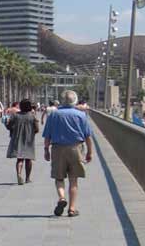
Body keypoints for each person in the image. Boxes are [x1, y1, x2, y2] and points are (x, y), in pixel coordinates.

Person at [42, 90, 93, 218]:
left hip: (58, 149)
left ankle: (61, 197)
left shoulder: (53, 115)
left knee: (59, 177)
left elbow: (47, 136)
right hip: (76, 148)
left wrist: (46, 150)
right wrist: (90, 152)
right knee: (73, 179)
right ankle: (72, 209)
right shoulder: (81, 115)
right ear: (75, 101)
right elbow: (88, 136)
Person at [6, 99, 40, 184]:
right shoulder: (32, 116)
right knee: (28, 159)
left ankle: (19, 174)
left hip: (18, 138)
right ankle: (27, 178)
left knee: (20, 158)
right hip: (29, 139)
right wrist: (32, 133)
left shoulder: (15, 115)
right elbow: (37, 129)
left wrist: (13, 129)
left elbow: (9, 126)